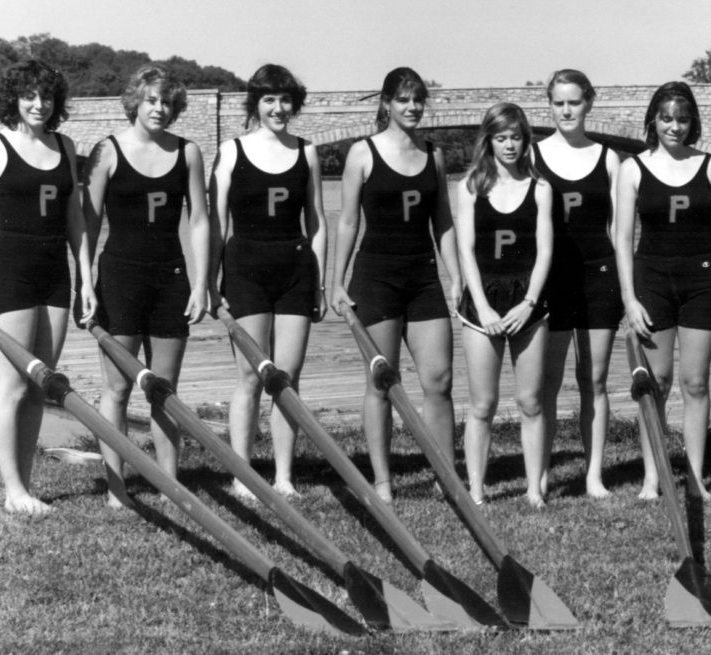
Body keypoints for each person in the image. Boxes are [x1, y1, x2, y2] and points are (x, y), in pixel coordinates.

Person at [0, 59, 96, 514]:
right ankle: (12, 491)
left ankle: (27, 484)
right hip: (11, 271)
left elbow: (75, 217)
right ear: (14, 101)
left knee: (41, 384)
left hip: (54, 273)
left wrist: (86, 278)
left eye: (46, 96)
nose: (38, 104)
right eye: (29, 96)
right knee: (12, 385)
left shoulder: (66, 144)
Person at [330, 67, 461, 503]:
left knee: (438, 380)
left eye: (418, 99)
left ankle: (447, 477)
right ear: (386, 103)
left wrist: (456, 276)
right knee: (381, 383)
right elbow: (347, 220)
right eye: (403, 99)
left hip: (423, 278)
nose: (412, 107)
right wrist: (336, 281)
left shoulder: (434, 154)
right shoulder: (362, 153)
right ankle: (383, 481)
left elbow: (443, 221)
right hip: (375, 278)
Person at [84, 64, 210, 507]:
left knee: (164, 389)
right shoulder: (108, 151)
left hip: (170, 277)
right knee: (117, 389)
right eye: (152, 100)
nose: (160, 109)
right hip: (119, 277)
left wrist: (201, 284)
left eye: (168, 102)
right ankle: (116, 486)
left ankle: (169, 484)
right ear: (135, 100)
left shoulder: (188, 152)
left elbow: (198, 220)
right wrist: (85, 281)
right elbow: (86, 224)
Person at [210, 64, 327, 499]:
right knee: (250, 376)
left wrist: (318, 281)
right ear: (255, 104)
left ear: (294, 103)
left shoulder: (307, 152)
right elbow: (217, 223)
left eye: (285, 100)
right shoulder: (232, 151)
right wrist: (210, 281)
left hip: (294, 270)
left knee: (287, 378)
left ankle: (283, 477)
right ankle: (242, 476)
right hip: (245, 269)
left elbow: (316, 224)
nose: (278, 109)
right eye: (269, 100)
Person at [615, 81, 711, 500]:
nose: (675, 126)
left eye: (683, 119)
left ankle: (696, 478)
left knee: (696, 382)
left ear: (692, 122)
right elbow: (622, 239)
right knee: (658, 381)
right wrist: (628, 299)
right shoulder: (632, 169)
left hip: (702, 282)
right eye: (666, 118)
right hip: (652, 282)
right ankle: (654, 476)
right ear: (653, 121)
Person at [455, 103, 554, 508]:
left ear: (525, 140)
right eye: (501, 137)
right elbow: (466, 250)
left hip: (528, 305)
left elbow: (545, 251)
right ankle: (476, 490)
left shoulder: (541, 188)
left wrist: (528, 304)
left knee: (530, 401)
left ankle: (534, 490)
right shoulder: (469, 186)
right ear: (488, 141)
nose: (509, 145)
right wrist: (484, 308)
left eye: (516, 137)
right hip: (484, 306)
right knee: (483, 404)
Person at [533, 70, 622, 499]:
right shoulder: (532, 156)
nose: (566, 111)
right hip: (552, 280)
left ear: (589, 103)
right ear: (549, 105)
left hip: (598, 276)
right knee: (548, 383)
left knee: (595, 380)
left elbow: (618, 230)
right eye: (559, 103)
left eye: (574, 102)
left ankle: (593, 475)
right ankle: (544, 473)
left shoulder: (608, 158)